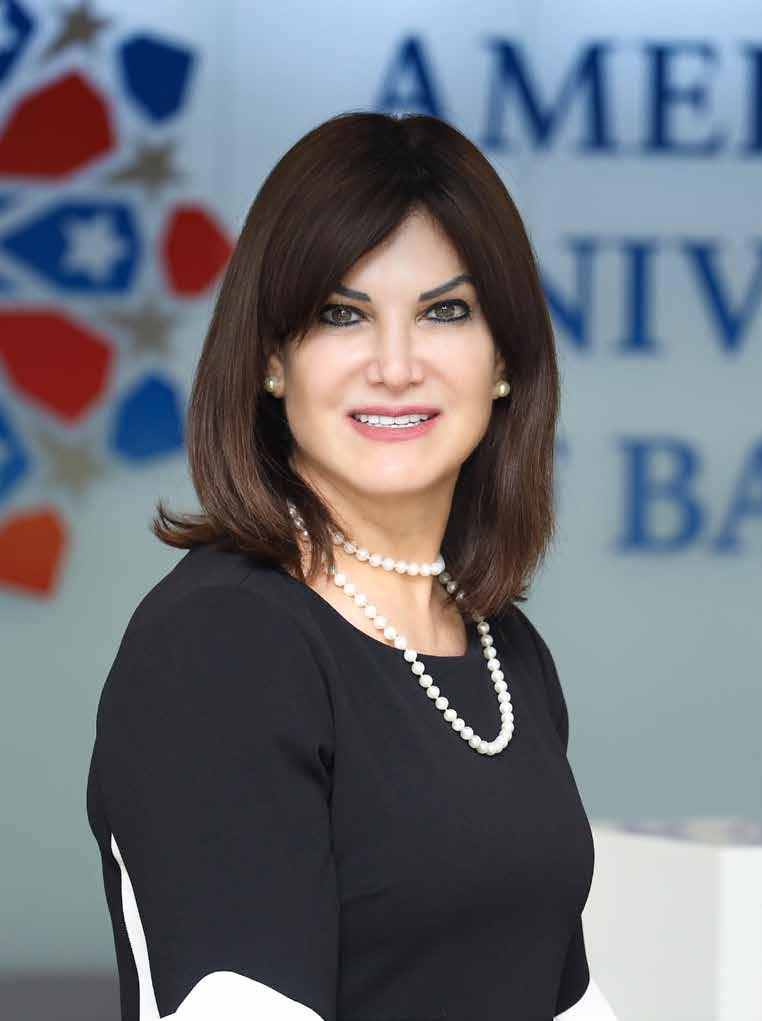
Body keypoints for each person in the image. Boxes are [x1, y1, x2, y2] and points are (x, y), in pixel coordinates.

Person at [86, 111, 618, 1020]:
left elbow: (558, 995)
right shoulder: (222, 642)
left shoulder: (502, 649)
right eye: (342, 314)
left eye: (444, 311)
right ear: (271, 360)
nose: (395, 366)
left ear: (503, 360)